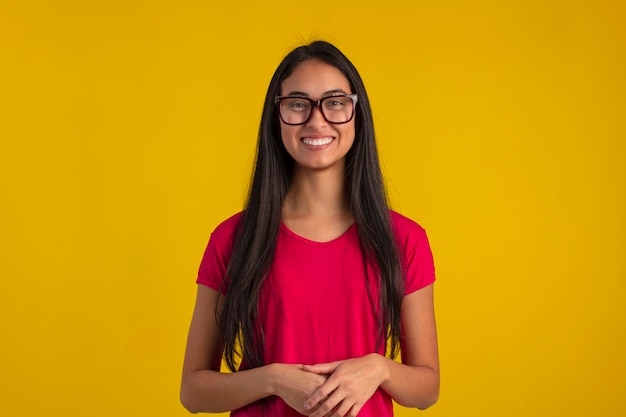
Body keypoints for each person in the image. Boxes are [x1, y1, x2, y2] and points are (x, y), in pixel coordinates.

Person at [180, 40, 439, 417]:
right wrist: (271, 379)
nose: (316, 120)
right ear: (277, 116)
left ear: (356, 113)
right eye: (298, 104)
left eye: (335, 102)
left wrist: (379, 368)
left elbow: (426, 390)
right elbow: (193, 391)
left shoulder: (404, 239)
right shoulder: (233, 239)